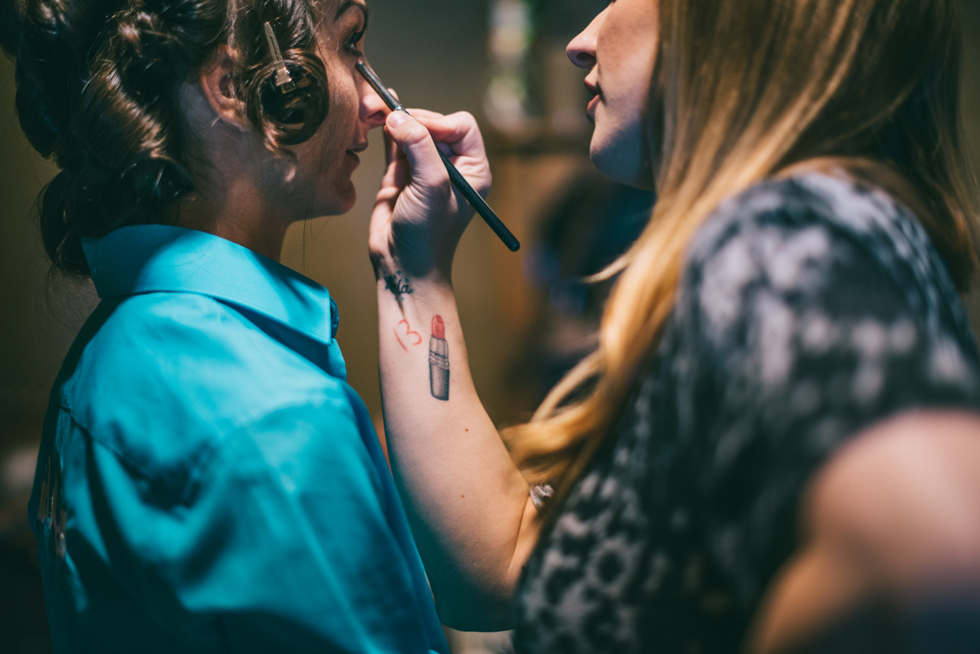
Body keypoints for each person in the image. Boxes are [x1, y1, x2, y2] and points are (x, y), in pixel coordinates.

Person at [369, 0, 980, 652]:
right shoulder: (840, 230)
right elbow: (502, 566)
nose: (581, 41)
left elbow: (946, 556)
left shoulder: (778, 235)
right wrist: (417, 267)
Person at [0, 0, 449, 650]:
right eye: (351, 45)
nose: (379, 103)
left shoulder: (109, 347)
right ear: (233, 85)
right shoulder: (276, 420)